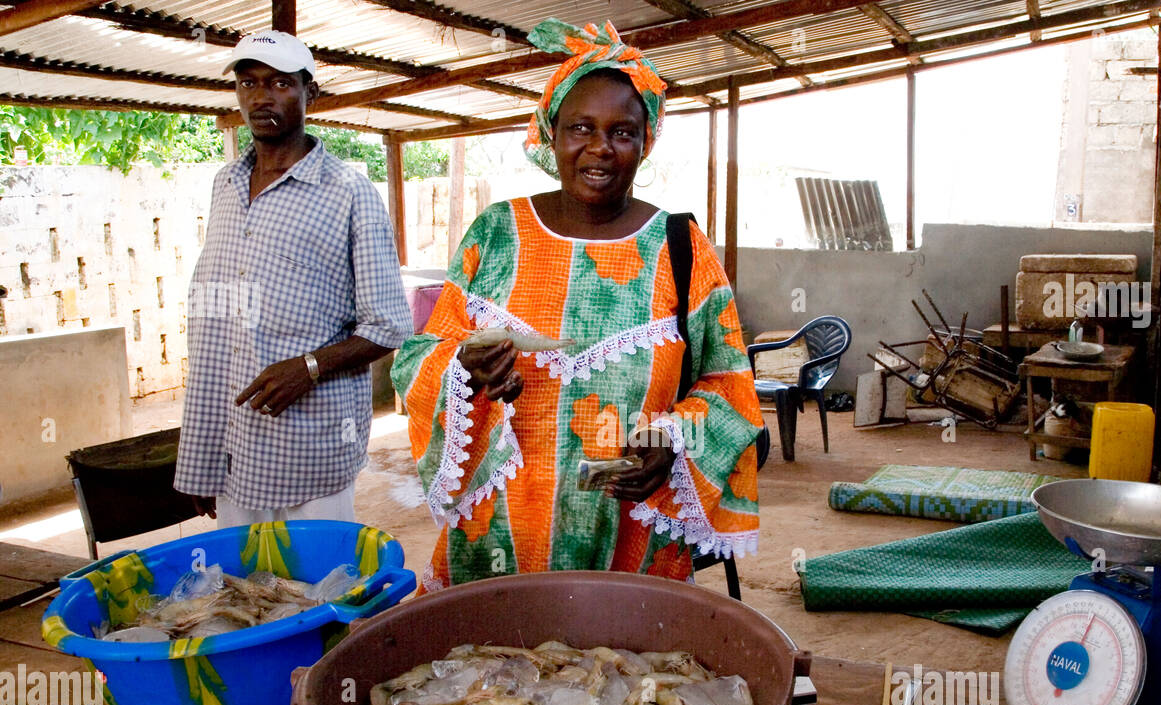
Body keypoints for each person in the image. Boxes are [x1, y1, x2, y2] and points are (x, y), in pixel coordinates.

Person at [391, 19, 761, 593]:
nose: (599, 148)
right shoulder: (495, 234)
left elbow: (728, 385)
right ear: (549, 132)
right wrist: (463, 371)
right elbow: (419, 357)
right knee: (489, 674)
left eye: (622, 132)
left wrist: (671, 442)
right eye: (580, 127)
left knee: (623, 673)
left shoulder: (683, 248)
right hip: (493, 536)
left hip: (630, 529)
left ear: (646, 141)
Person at [174, 30, 411, 527]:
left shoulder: (348, 192)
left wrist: (307, 367)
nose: (261, 97)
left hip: (308, 449)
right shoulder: (225, 184)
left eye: (280, 83)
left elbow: (388, 326)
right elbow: (214, 329)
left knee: (316, 589)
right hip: (234, 447)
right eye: (248, 82)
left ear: (310, 93)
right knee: (245, 593)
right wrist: (201, 458)